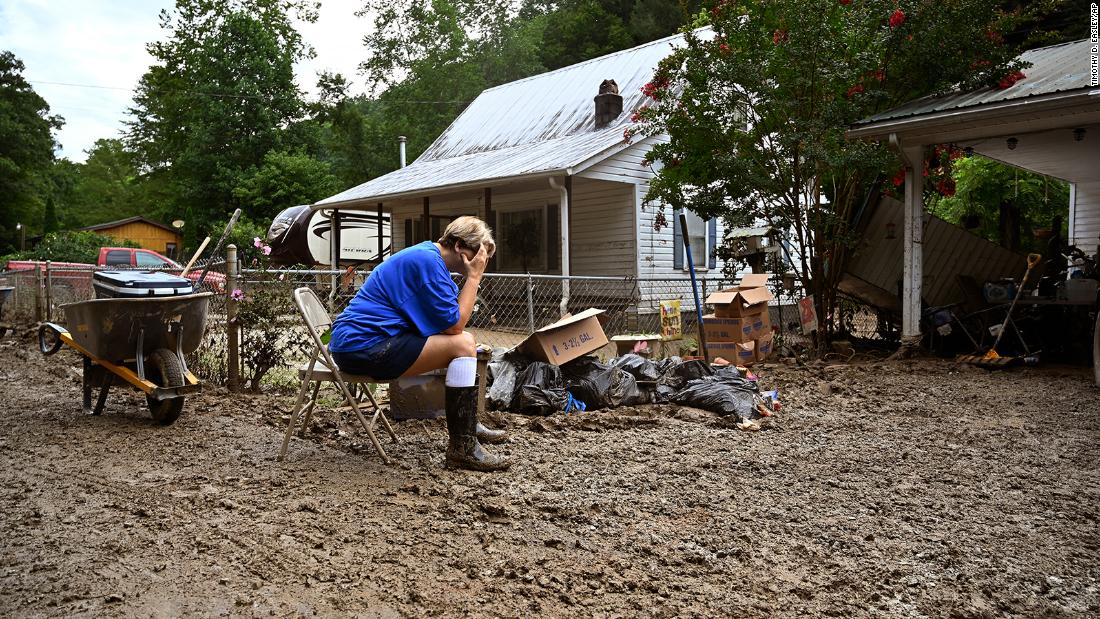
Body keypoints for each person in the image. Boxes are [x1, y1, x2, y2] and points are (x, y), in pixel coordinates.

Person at [329, 216, 510, 472]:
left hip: (362, 342)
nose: (482, 261)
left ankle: (466, 427)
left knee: (463, 343)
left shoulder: (429, 259)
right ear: (459, 246)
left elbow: (444, 322)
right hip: (364, 346)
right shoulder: (427, 263)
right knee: (463, 343)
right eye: (478, 253)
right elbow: (455, 324)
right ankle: (463, 446)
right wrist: (474, 278)